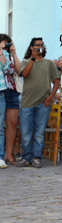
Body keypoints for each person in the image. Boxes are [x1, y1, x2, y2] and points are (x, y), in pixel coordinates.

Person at [17, 38, 60, 168]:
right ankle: (26, 158)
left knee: (39, 132)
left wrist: (51, 97)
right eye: (37, 45)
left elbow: (56, 81)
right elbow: (24, 74)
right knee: (25, 133)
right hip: (27, 103)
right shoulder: (25, 62)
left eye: (41, 45)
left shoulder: (49, 63)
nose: (39, 47)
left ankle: (36, 158)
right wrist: (33, 58)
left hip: (43, 103)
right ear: (31, 47)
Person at [0, 34, 21, 165]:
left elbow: (18, 70)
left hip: (11, 91)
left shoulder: (9, 55)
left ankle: (8, 154)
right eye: (3, 43)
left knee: (12, 123)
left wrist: (14, 53)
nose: (5, 46)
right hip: (2, 89)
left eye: (7, 43)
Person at [0, 38, 10, 168]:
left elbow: (6, 68)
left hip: (0, 93)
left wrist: (0, 51)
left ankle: (0, 157)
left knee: (0, 128)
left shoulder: (4, 53)